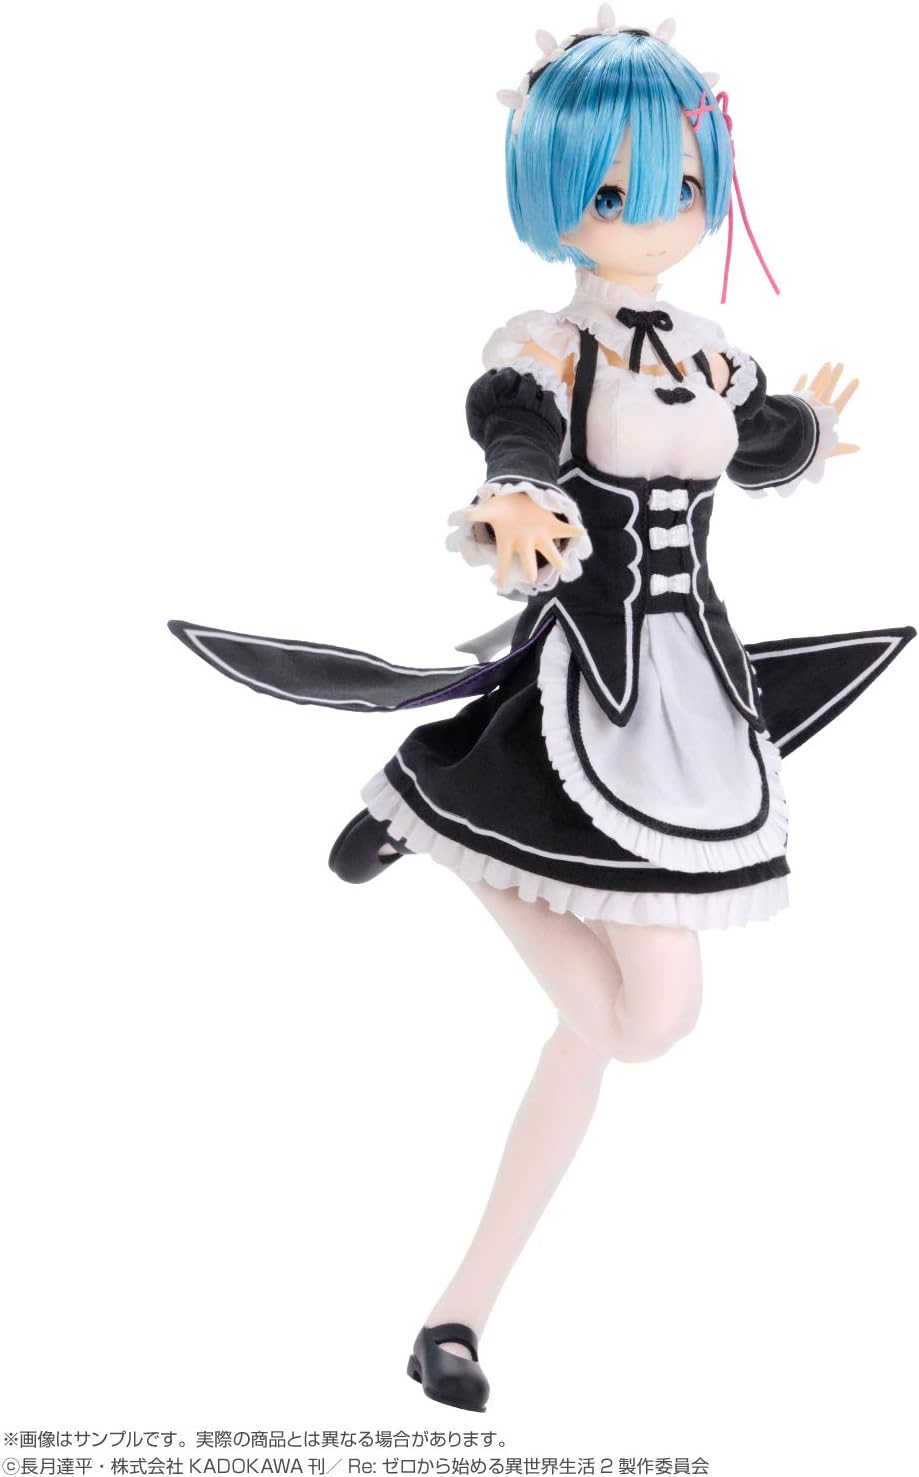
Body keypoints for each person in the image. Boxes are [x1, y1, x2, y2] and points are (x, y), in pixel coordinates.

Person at [168, 10, 915, 1413]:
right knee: (647, 1021)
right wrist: (514, 497)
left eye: (680, 183)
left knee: (619, 1028)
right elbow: (512, 430)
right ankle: (445, 815)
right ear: (551, 187)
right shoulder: (545, 346)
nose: (656, 215)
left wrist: (803, 432)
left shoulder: (707, 348)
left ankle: (455, 1312)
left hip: (692, 701)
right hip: (587, 694)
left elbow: (752, 446)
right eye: (615, 189)